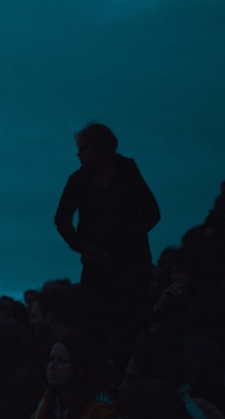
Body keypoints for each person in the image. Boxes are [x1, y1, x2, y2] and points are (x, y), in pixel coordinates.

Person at [54, 122, 160, 363]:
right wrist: (82, 246)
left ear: (100, 149)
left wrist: (128, 240)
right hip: (96, 264)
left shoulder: (127, 172)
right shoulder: (78, 181)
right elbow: (61, 219)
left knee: (129, 326)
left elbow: (152, 212)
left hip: (132, 266)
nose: (78, 154)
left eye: (84, 148)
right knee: (94, 328)